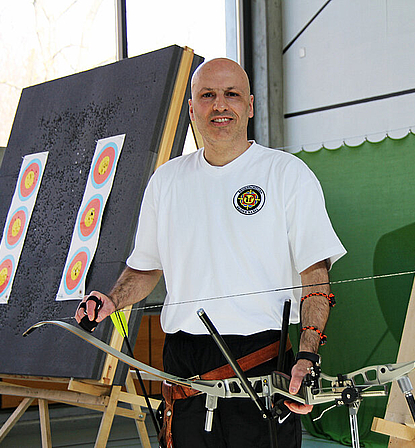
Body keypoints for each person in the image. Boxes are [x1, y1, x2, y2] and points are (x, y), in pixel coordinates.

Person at [75, 58, 346, 448]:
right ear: (191, 109)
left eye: (231, 94)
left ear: (250, 106)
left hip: (262, 357)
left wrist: (307, 355)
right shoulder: (166, 181)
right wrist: (112, 299)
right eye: (207, 96)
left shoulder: (287, 174)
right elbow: (145, 269)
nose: (220, 105)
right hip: (184, 364)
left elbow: (315, 276)